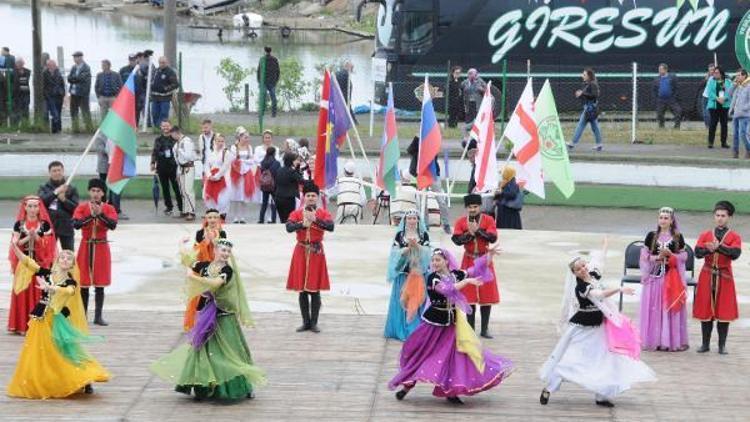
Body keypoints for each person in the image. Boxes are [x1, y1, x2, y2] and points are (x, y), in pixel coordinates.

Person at [389, 247, 513, 405]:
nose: (435, 263)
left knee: (455, 357)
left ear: (446, 261)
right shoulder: (432, 278)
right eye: (433, 260)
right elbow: (447, 289)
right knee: (421, 355)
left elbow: (474, 269)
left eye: (438, 260)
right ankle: (406, 387)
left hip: (451, 325)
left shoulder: (455, 275)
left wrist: (489, 255)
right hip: (432, 326)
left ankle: (451, 391)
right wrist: (466, 282)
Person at [539, 248, 656, 408]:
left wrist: (605, 246)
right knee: (572, 359)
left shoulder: (593, 275)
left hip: (600, 326)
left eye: (583, 266)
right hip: (583, 328)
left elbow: (599, 261)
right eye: (578, 269)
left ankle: (602, 395)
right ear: (574, 273)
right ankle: (549, 388)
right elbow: (599, 295)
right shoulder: (581, 287)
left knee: (607, 358)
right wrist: (619, 289)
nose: (582, 269)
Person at [150, 239, 266, 401]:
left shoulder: (227, 270)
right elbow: (188, 260)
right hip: (207, 315)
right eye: (222, 250)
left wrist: (193, 277)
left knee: (232, 352)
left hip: (224, 316)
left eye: (228, 251)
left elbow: (215, 284)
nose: (225, 253)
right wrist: (181, 245)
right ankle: (203, 387)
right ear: (215, 251)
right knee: (203, 350)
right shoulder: (205, 266)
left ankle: (243, 386)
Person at [6, 246, 110, 399]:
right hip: (40, 318)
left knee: (63, 351)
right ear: (58, 260)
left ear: (72, 264)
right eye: (62, 257)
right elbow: (30, 263)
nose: (65, 260)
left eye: (69, 258)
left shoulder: (70, 282)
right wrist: (16, 250)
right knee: (40, 351)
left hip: (56, 320)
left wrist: (51, 287)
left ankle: (85, 379)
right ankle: (44, 381)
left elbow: (68, 291)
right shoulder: (47, 274)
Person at [693, 200, 741, 355]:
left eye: (723, 215)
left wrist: (718, 247)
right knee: (705, 309)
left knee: (723, 311)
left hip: (725, 276)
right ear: (714, 216)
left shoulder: (734, 236)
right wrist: (708, 249)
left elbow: (735, 254)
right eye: (717, 215)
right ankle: (705, 344)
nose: (720, 218)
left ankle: (722, 345)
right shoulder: (705, 234)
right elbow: (697, 253)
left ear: (729, 217)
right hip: (707, 274)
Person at [285, 181, 334, 333]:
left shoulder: (323, 213)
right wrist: (302, 224)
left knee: (315, 289)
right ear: (304, 197)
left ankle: (314, 323)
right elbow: (288, 227)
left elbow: (331, 227)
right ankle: (305, 322)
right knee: (302, 290)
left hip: (316, 252)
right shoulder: (297, 213)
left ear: (317, 197)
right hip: (301, 251)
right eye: (308, 195)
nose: (311, 198)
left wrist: (315, 220)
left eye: (313, 195)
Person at [639, 207, 689, 352]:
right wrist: (657, 258)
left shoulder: (678, 237)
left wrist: (671, 256)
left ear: (672, 220)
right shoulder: (651, 236)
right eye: (661, 217)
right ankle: (655, 340)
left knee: (668, 308)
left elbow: (684, 257)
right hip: (655, 278)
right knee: (655, 309)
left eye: (666, 218)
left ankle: (669, 341)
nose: (663, 220)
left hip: (671, 278)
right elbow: (644, 256)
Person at [451, 194, 499, 339]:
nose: (472, 209)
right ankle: (470, 330)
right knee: (469, 295)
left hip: (484, 261)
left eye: (475, 207)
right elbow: (457, 240)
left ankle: (484, 329)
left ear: (480, 207)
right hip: (469, 260)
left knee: (486, 295)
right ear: (466, 208)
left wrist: (477, 230)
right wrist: (470, 234)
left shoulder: (489, 219)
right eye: (470, 207)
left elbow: (493, 237)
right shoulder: (460, 222)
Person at [72, 179, 118, 326]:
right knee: (84, 283)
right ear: (89, 192)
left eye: (99, 191)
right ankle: (83, 316)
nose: (96, 194)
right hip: (85, 246)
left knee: (100, 283)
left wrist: (101, 215)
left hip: (101, 247)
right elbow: (77, 225)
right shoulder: (82, 207)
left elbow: (113, 225)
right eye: (93, 190)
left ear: (103, 193)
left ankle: (98, 316)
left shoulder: (109, 208)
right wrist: (92, 215)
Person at [7, 196, 56, 335]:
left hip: (39, 264)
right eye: (30, 206)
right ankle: (22, 325)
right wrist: (29, 236)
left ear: (39, 208)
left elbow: (48, 245)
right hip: (24, 265)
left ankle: (37, 325)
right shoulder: (19, 224)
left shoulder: (45, 224)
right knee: (22, 292)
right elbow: (16, 243)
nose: (33, 209)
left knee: (39, 293)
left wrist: (36, 237)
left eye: (35, 206)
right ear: (25, 207)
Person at [384, 210, 430, 341]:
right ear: (405, 220)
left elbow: (428, 253)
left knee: (417, 300)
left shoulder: (423, 235)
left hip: (417, 274)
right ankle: (401, 328)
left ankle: (415, 329)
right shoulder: (400, 235)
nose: (411, 221)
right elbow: (394, 252)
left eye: (414, 218)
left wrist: (417, 247)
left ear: (418, 220)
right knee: (403, 301)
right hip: (403, 275)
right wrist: (405, 250)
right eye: (409, 218)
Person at [183, 208, 227, 332]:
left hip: (217, 267)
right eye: (210, 217)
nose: (212, 220)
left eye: (215, 217)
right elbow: (196, 251)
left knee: (216, 294)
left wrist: (214, 241)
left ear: (218, 219)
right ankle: (199, 322)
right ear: (206, 219)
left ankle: (216, 322)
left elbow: (223, 250)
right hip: (203, 267)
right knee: (201, 295)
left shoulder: (222, 233)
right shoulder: (200, 233)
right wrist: (205, 242)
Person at [406, 135, 451, 234]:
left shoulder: (432, 138)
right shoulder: (417, 140)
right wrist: (417, 139)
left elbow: (433, 155)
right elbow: (409, 151)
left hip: (433, 174)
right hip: (421, 174)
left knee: (440, 200)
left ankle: (446, 224)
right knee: (422, 201)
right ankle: (425, 224)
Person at [38, 161, 79, 251]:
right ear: (50, 173)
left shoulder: (71, 188)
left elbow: (76, 209)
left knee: (68, 254)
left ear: (63, 171)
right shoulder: (44, 187)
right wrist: (55, 192)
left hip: (66, 226)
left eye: (59, 170)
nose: (57, 173)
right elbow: (41, 203)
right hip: (49, 226)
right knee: (47, 254)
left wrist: (64, 200)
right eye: (54, 171)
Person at [151, 120, 183, 216]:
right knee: (165, 188)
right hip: (161, 167)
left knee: (177, 188)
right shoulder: (158, 139)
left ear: (170, 126)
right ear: (161, 127)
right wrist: (153, 163)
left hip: (173, 167)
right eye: (163, 126)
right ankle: (169, 207)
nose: (165, 128)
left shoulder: (175, 138)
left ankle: (182, 207)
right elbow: (155, 152)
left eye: (167, 126)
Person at [568, 68, 603, 151]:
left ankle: (572, 143)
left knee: (580, 125)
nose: (582, 76)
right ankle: (599, 144)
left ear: (589, 76)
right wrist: (580, 95)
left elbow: (594, 95)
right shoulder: (587, 84)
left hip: (589, 108)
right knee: (595, 127)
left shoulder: (592, 84)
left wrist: (582, 93)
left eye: (584, 75)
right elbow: (588, 96)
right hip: (589, 108)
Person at [95, 133, 128, 220]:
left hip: (115, 166)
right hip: (104, 167)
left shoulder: (117, 135)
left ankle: (114, 209)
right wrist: (114, 151)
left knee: (115, 188)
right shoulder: (100, 136)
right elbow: (99, 149)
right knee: (103, 189)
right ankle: (102, 210)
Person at [228, 128, 257, 224]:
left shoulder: (249, 148)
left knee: (244, 196)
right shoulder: (234, 147)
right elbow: (232, 160)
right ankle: (235, 217)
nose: (247, 139)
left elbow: (252, 160)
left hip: (246, 174)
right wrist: (242, 163)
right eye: (245, 137)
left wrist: (243, 163)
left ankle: (243, 217)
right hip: (236, 174)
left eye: (248, 138)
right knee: (236, 196)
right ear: (240, 137)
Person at [171, 126, 198, 221]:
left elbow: (189, 156)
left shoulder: (187, 141)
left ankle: (192, 211)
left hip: (189, 167)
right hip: (181, 168)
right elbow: (177, 160)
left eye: (173, 135)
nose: (172, 137)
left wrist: (180, 150)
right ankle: (185, 210)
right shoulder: (176, 144)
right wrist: (177, 172)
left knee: (188, 190)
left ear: (176, 133)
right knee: (182, 191)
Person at [203, 134, 233, 219]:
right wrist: (209, 175)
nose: (220, 143)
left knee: (222, 198)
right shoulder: (211, 153)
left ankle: (222, 214)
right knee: (210, 197)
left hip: (223, 178)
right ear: (215, 142)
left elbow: (225, 166)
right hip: (211, 179)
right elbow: (206, 165)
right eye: (218, 141)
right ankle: (213, 214)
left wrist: (217, 176)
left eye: (222, 141)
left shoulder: (226, 152)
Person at [705, 66, 732, 149]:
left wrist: (725, 98)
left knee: (724, 124)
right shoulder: (711, 81)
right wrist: (717, 99)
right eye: (714, 73)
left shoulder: (727, 81)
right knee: (713, 124)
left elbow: (730, 91)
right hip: (714, 106)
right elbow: (709, 92)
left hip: (724, 105)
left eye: (717, 73)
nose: (715, 74)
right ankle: (710, 142)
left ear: (721, 74)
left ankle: (724, 142)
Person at [67, 51, 93, 133]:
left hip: (82, 93)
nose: (75, 59)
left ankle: (89, 128)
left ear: (81, 57)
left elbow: (81, 78)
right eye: (74, 57)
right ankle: (75, 128)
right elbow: (69, 79)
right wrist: (75, 78)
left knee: (85, 111)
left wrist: (74, 78)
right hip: (73, 93)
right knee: (73, 111)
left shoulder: (86, 67)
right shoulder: (73, 67)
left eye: (76, 57)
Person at [274, 152, 303, 223]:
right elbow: (301, 180)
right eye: (296, 160)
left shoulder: (279, 170)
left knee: (282, 220)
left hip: (278, 197)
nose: (298, 162)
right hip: (289, 198)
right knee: (290, 220)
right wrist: (297, 169)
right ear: (292, 161)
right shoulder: (292, 171)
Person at [150, 56, 179, 126]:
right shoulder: (155, 71)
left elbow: (176, 84)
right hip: (155, 96)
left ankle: (162, 127)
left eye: (163, 63)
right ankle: (156, 127)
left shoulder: (170, 72)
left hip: (165, 97)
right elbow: (150, 81)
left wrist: (166, 88)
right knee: (154, 112)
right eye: (160, 63)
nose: (162, 64)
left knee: (163, 113)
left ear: (167, 63)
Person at [729, 69, 750, 159]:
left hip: (745, 114)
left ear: (744, 76)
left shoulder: (748, 86)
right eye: (736, 75)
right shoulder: (738, 86)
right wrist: (733, 86)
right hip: (736, 114)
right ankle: (735, 152)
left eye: (739, 75)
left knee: (743, 133)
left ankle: (748, 150)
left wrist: (744, 108)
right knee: (735, 134)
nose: (737, 77)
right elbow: (729, 94)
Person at [494, 165, 523, 230]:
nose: (502, 174)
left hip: (509, 211)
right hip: (505, 210)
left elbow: (512, 194)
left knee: (509, 229)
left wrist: (501, 192)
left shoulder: (512, 183)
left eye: (504, 173)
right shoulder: (506, 182)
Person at [653, 63, 681, 129]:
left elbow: (676, 88)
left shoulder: (672, 77)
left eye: (661, 69)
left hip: (671, 99)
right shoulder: (656, 79)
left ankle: (677, 127)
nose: (659, 71)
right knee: (660, 114)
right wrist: (656, 98)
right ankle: (661, 126)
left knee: (678, 112)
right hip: (661, 100)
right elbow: (654, 90)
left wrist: (674, 96)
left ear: (665, 70)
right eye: (659, 69)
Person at [42, 59, 65, 133]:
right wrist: (46, 94)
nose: (53, 67)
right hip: (48, 96)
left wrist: (62, 93)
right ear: (48, 66)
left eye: (54, 65)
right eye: (51, 65)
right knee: (51, 114)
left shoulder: (58, 73)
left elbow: (62, 84)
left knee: (57, 113)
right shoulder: (44, 74)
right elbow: (43, 85)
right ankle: (47, 129)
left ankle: (57, 129)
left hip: (58, 96)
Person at [258, 146, 280, 224]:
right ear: (274, 153)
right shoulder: (276, 163)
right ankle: (273, 219)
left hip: (265, 185)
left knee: (264, 203)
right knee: (274, 203)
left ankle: (261, 219)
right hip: (273, 185)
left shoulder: (263, 162)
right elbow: (277, 174)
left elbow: (261, 173)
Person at [257, 46, 279, 117]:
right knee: (273, 98)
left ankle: (261, 113)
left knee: (262, 97)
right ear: (271, 51)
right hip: (272, 81)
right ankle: (274, 113)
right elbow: (278, 71)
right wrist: (276, 80)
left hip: (264, 82)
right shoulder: (275, 59)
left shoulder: (262, 59)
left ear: (264, 51)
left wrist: (259, 81)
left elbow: (259, 71)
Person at [11, 57, 31, 125]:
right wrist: (21, 77)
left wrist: (20, 78)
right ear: (16, 64)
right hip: (16, 94)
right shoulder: (12, 71)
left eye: (21, 63)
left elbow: (25, 81)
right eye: (19, 63)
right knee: (16, 111)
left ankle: (25, 125)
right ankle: (15, 126)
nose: (20, 65)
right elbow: (16, 81)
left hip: (25, 94)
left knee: (25, 110)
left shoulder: (27, 71)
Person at [702, 63, 716, 129]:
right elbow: (702, 84)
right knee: (705, 112)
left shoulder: (714, 77)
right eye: (710, 70)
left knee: (708, 112)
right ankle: (707, 126)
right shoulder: (709, 77)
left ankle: (709, 126)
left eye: (713, 70)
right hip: (705, 96)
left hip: (710, 97)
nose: (711, 71)